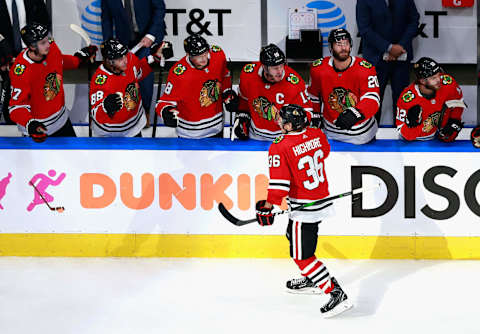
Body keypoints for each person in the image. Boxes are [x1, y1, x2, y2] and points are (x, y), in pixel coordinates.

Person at [255, 104, 352, 318]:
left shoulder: (279, 146)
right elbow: (324, 152)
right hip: (320, 199)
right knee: (292, 235)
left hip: (304, 207)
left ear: (290, 125)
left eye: (282, 120)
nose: (278, 122)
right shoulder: (316, 134)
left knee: (301, 256)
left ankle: (335, 293)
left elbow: (280, 185)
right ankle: (312, 278)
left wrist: (267, 206)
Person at [8, 23, 97, 142]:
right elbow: (15, 107)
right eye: (43, 42)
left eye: (47, 39)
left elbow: (59, 60)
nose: (48, 44)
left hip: (62, 121)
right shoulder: (21, 71)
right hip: (40, 128)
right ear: (32, 47)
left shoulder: (51, 47)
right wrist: (30, 124)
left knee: (74, 158)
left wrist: (78, 59)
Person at [308, 28, 380, 144]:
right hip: (330, 132)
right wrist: (315, 117)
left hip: (362, 134)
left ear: (350, 45)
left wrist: (356, 112)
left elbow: (373, 99)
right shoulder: (318, 68)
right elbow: (313, 96)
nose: (343, 47)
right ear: (331, 47)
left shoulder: (365, 68)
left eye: (346, 43)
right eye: (338, 44)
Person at [155, 34, 235, 138]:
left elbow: (224, 76)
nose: (203, 59)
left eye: (205, 53)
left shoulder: (218, 54)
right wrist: (166, 112)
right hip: (190, 133)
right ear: (188, 54)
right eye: (198, 56)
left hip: (217, 127)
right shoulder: (178, 73)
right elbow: (164, 102)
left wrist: (227, 92)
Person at [101, 0, 166, 127]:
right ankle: (128, 111)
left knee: (144, 69)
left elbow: (160, 9)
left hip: (150, 35)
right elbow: (106, 19)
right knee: (125, 74)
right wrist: (107, 44)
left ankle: (145, 111)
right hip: (125, 39)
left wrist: (151, 35)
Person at [356, 0, 420, 125]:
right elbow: (365, 29)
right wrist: (389, 47)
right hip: (375, 59)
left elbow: (413, 20)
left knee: (402, 99)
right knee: (373, 100)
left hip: (401, 58)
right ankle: (370, 135)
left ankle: (403, 134)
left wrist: (400, 46)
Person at [233, 43, 312, 141]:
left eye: (281, 65)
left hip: (284, 138)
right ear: (265, 67)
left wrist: (294, 125)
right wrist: (242, 118)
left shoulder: (294, 82)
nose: (280, 71)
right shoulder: (248, 74)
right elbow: (243, 101)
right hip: (255, 137)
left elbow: (308, 112)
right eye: (275, 68)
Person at [89, 38, 165, 137]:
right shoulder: (100, 82)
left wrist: (156, 57)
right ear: (109, 61)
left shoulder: (129, 59)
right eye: (120, 59)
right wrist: (105, 107)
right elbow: (96, 114)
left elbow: (140, 70)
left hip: (134, 126)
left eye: (124, 55)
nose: (125, 60)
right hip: (110, 133)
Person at [0, 0, 51, 124]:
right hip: (7, 61)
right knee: (13, 104)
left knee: (39, 101)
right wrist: (4, 57)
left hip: (34, 58)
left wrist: (34, 53)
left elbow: (44, 23)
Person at [395, 57, 465, 142]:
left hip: (438, 133)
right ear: (422, 81)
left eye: (438, 75)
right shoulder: (407, 99)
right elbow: (404, 133)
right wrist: (410, 124)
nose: (439, 79)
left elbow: (458, 102)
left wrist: (454, 120)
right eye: (433, 78)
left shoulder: (448, 82)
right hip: (414, 140)